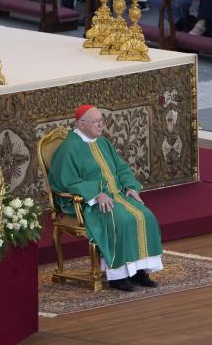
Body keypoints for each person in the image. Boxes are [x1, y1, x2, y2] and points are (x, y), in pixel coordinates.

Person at [49, 105, 163, 293]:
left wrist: (131, 187)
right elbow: (65, 181)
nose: (101, 125)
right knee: (121, 220)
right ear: (82, 124)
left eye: (102, 120)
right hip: (91, 202)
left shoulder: (103, 142)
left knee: (146, 215)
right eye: (96, 122)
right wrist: (95, 193)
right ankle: (118, 276)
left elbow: (121, 168)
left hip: (117, 194)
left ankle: (139, 271)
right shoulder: (69, 148)